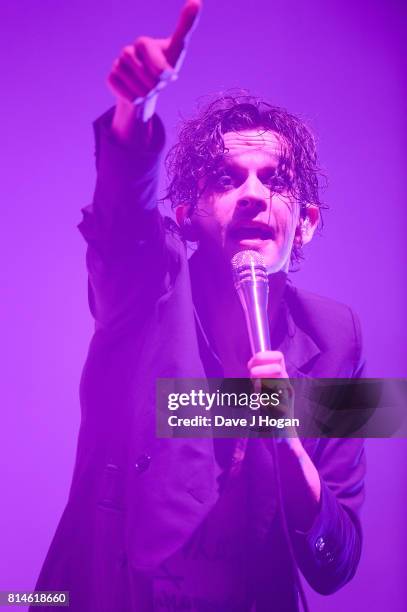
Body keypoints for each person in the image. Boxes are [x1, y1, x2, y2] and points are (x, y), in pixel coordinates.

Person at [31, 1, 366, 610]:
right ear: (185, 216)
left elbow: (338, 560)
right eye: (226, 178)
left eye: (276, 180)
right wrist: (138, 109)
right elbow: (122, 223)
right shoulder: (149, 287)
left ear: (308, 223)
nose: (252, 197)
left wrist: (290, 441)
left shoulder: (338, 336)